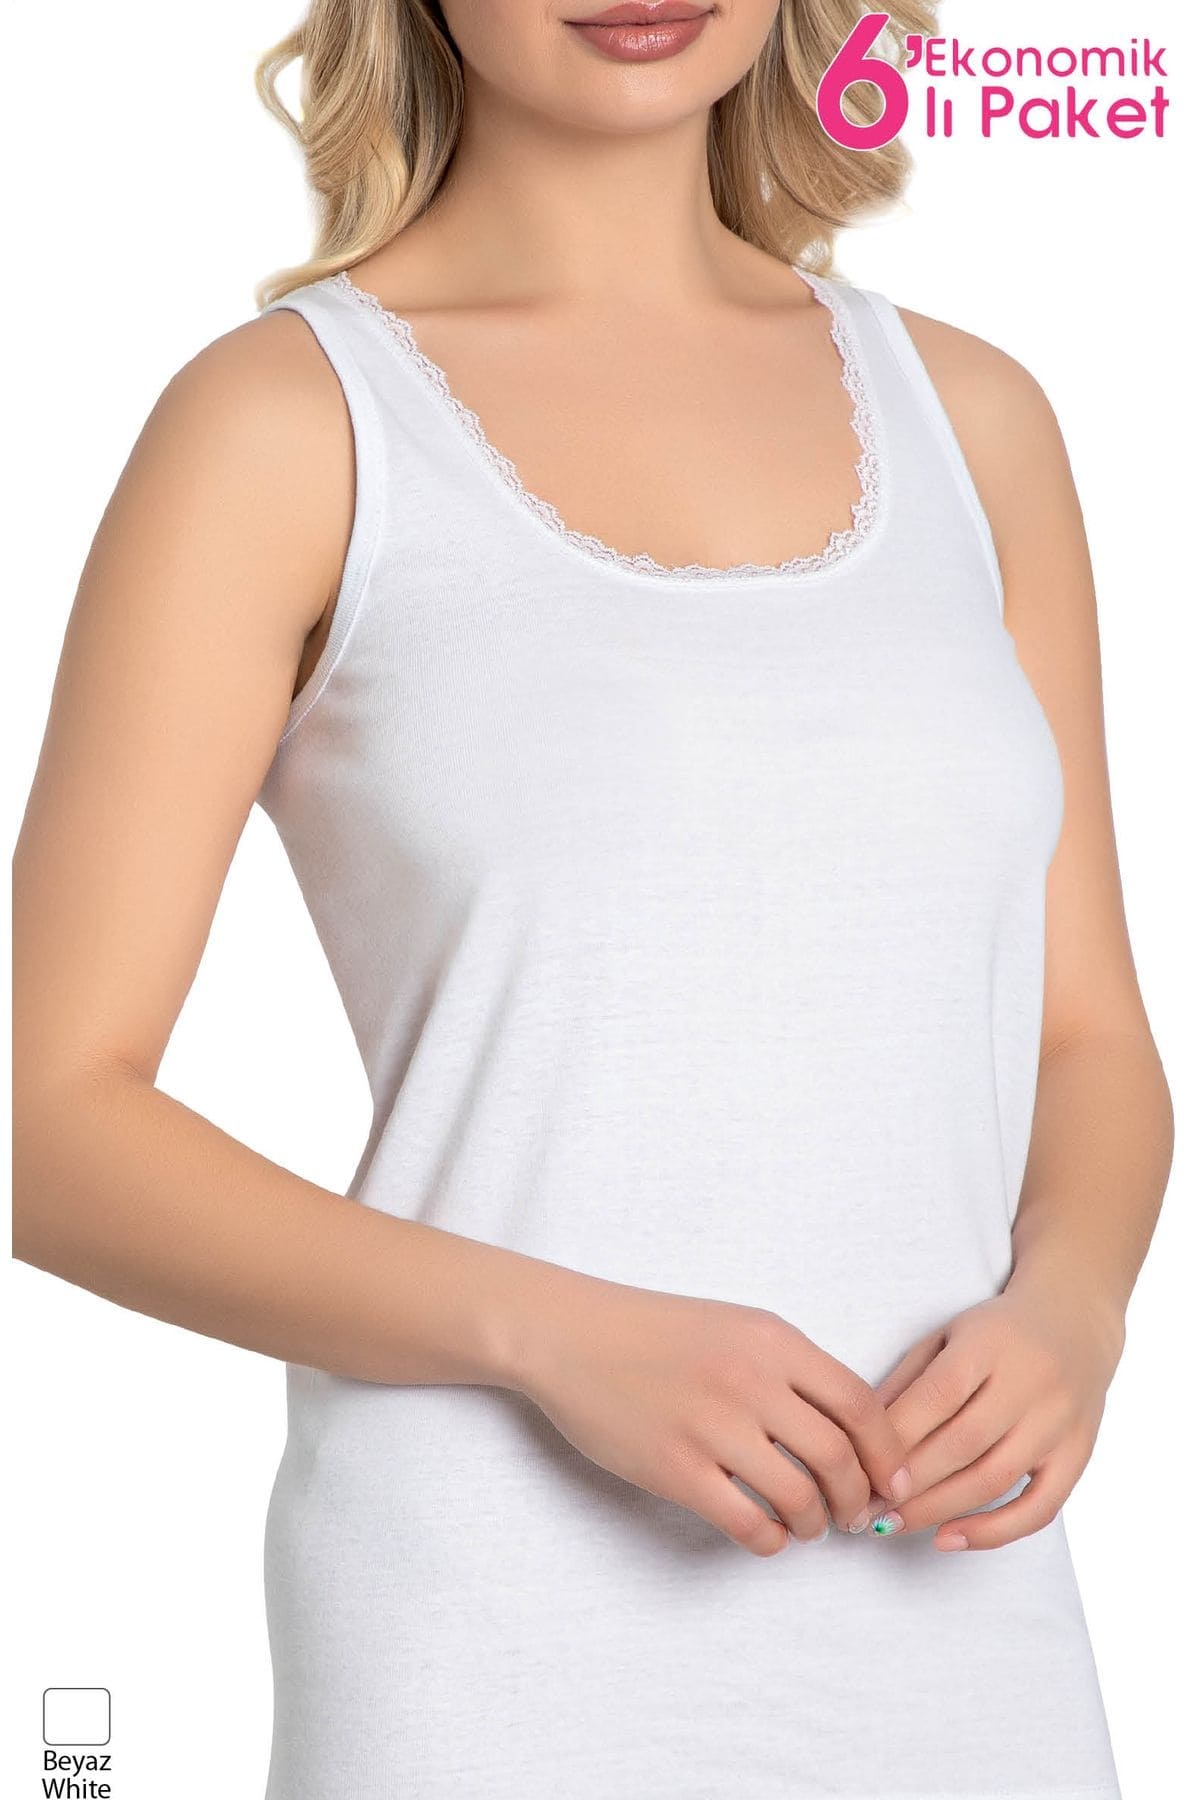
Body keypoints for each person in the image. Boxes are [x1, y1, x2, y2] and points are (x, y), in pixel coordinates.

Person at [12, 3, 1174, 1797]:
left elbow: (1089, 1032)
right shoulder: (284, 424)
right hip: (489, 1644)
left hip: (962, 1615)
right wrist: (559, 1337)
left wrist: (1075, 1310)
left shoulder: (976, 419)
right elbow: (41, 1118)